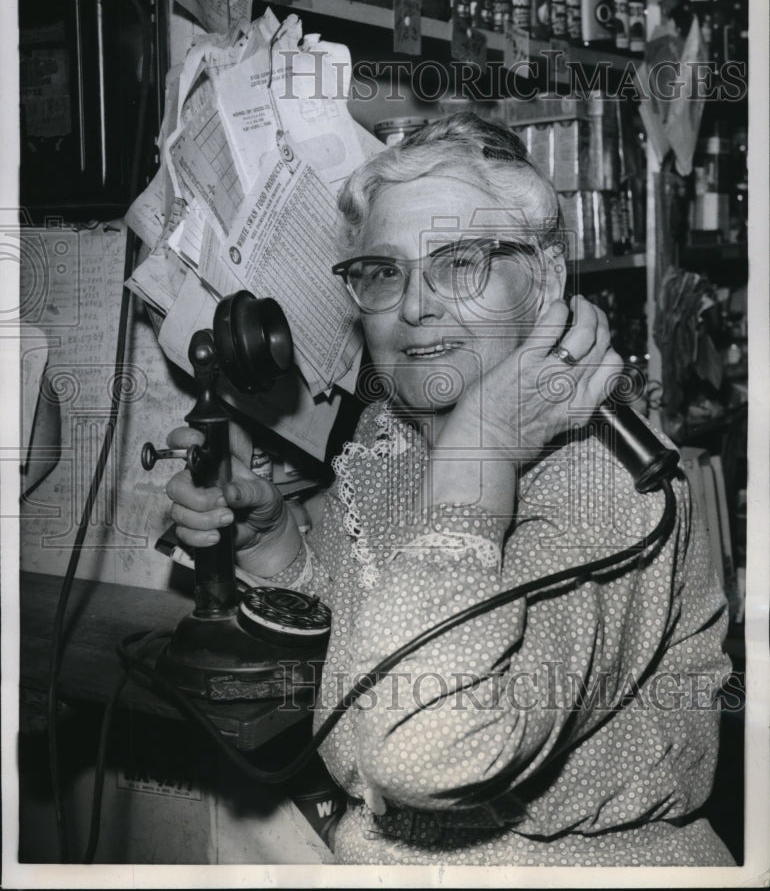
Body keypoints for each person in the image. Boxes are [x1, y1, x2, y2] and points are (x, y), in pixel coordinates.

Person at [165, 113, 734, 866]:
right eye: (383, 271)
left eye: (460, 262)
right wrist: (277, 547)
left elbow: (430, 747)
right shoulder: (390, 437)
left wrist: (481, 451)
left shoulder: (610, 476)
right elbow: (373, 645)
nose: (413, 306)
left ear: (547, 280)